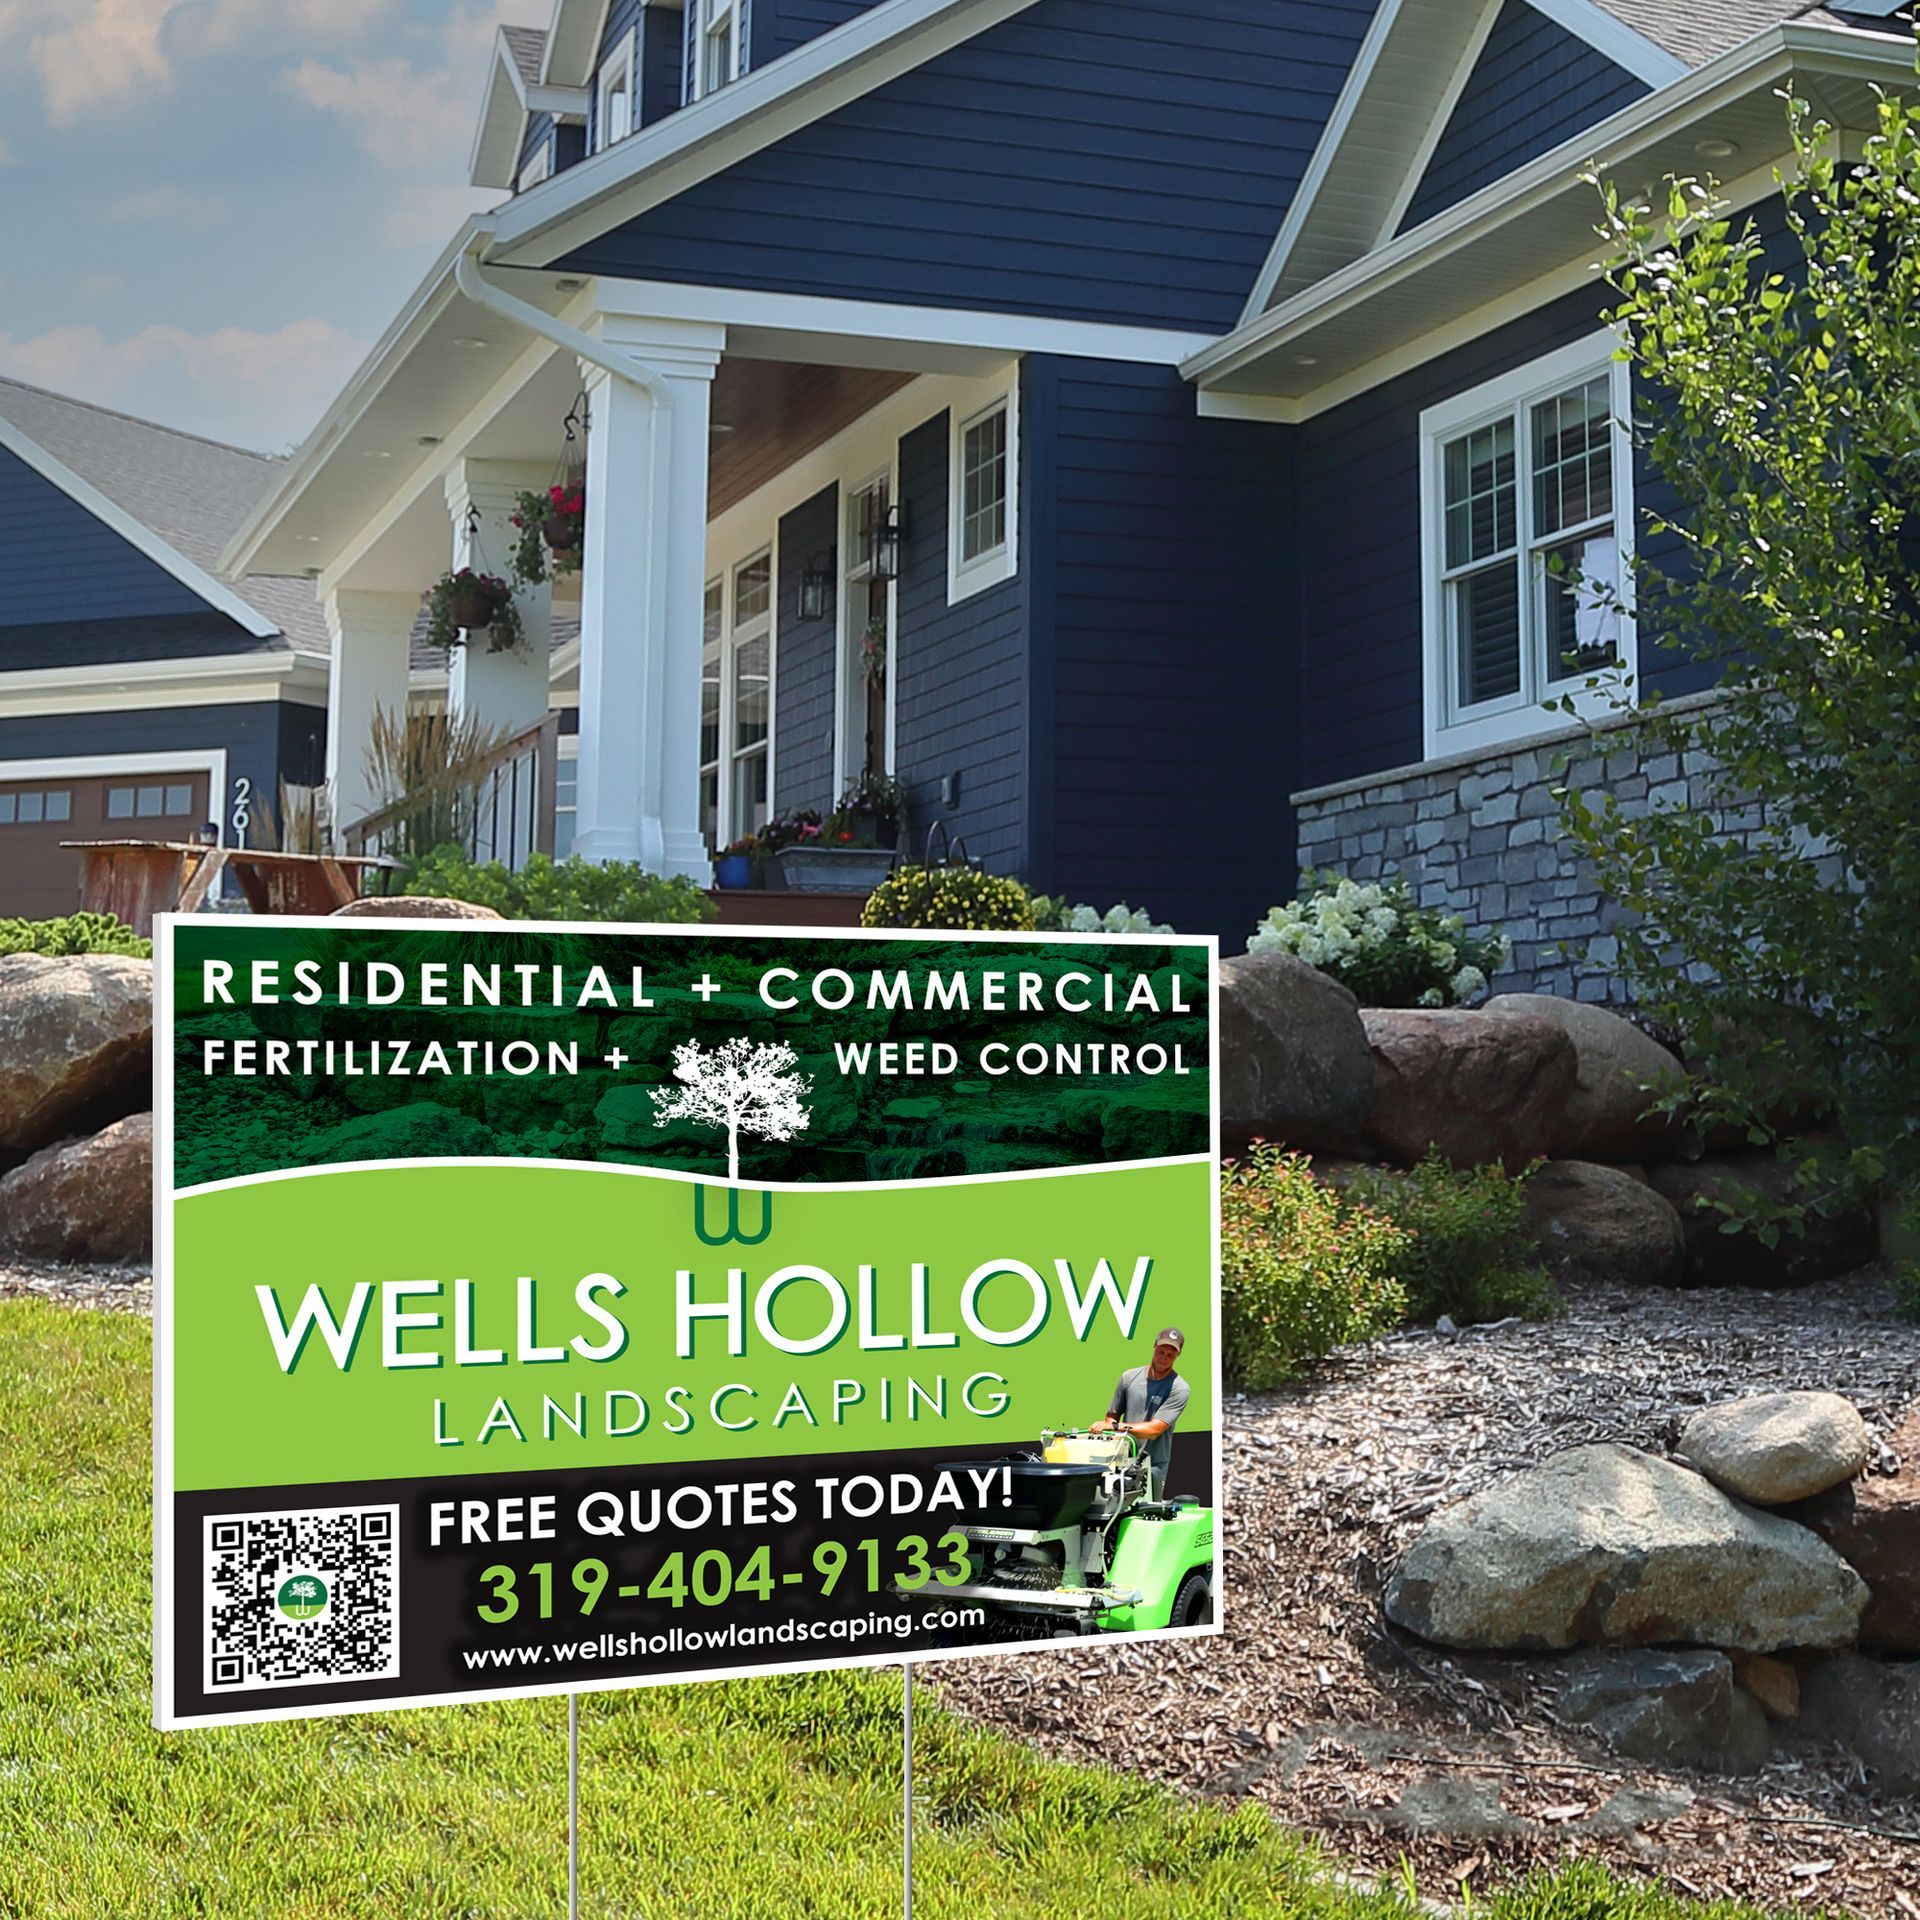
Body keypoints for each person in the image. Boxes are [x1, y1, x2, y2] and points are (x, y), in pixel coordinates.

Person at [1092, 1326, 1190, 1498]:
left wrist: (1115, 1426)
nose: (1164, 1358)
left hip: (1153, 1466)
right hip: (1120, 1462)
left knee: (1147, 1511)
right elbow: (1111, 1417)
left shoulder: (1179, 1388)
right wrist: (1111, 1433)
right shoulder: (1129, 1377)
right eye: (1161, 1351)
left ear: (1178, 1355)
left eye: (1170, 1355)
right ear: (1154, 1346)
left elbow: (1154, 1430)